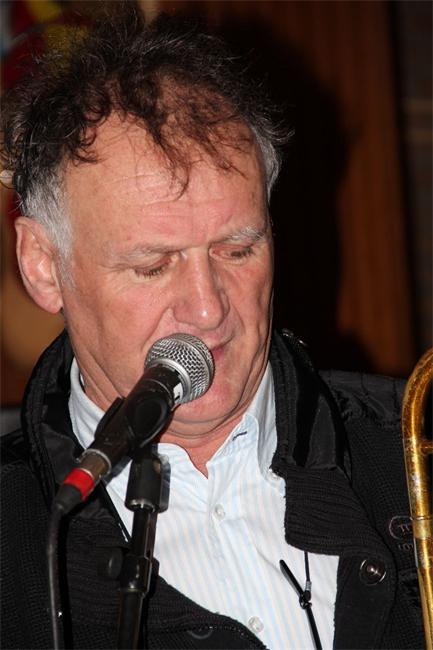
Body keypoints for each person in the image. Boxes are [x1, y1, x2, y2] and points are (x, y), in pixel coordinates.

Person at [0, 7, 423, 649]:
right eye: (153, 264)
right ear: (41, 264)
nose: (207, 309)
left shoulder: (412, 447)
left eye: (238, 249)